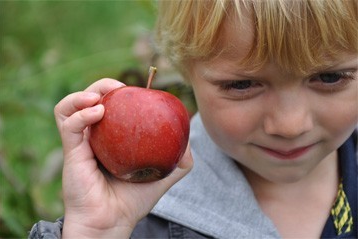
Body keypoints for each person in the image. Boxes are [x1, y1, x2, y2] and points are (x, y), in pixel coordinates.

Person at [29, 0, 357, 238]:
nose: (290, 125)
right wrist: (96, 232)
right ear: (185, 71)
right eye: (241, 85)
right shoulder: (140, 220)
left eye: (329, 78)